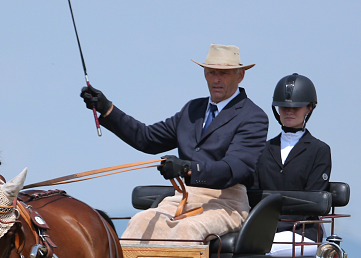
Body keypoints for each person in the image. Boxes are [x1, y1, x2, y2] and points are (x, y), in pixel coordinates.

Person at [80, 44, 268, 242]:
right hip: (184, 197)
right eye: (211, 72)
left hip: (227, 203)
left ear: (240, 76)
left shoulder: (253, 117)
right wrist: (107, 108)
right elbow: (147, 139)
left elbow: (234, 169)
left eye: (224, 73)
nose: (216, 79)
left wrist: (187, 168)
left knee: (188, 229)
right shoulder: (192, 109)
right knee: (139, 222)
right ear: (204, 74)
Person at [252, 73, 331, 255]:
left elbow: (312, 201)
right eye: (284, 107)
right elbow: (253, 194)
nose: (289, 111)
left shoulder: (319, 151)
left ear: (309, 108)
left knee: (261, 248)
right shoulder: (262, 149)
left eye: (296, 107)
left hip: (303, 231)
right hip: (264, 230)